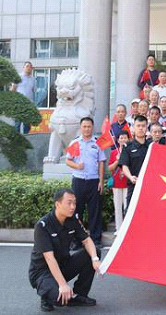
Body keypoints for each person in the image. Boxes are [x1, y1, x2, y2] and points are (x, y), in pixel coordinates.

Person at [29, 188, 101, 312]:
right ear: (58, 204)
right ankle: (46, 296)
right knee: (61, 299)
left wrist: (95, 259)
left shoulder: (73, 220)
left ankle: (79, 295)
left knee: (94, 252)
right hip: (42, 272)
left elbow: (87, 240)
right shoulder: (43, 226)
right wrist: (63, 284)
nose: (73, 207)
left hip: (62, 265)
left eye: (74, 203)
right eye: (69, 203)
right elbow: (49, 258)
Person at [65, 117, 105, 246]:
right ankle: (76, 241)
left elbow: (101, 162)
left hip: (94, 181)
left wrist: (101, 181)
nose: (87, 129)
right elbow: (68, 160)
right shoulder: (75, 143)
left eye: (89, 126)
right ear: (80, 127)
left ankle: (96, 240)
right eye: (84, 126)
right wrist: (77, 166)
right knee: (77, 211)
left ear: (92, 127)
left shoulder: (98, 142)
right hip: (79, 181)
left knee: (95, 211)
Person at [119, 115, 151, 208]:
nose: (141, 128)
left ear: (146, 128)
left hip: (149, 187)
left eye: (143, 126)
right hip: (134, 186)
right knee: (130, 212)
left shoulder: (152, 146)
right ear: (133, 128)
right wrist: (130, 177)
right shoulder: (127, 147)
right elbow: (124, 166)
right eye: (138, 126)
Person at [107, 131, 130, 234]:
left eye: (125, 138)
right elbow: (110, 168)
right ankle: (118, 229)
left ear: (128, 139)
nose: (123, 140)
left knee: (127, 207)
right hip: (116, 183)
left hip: (128, 183)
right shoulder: (114, 152)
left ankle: (127, 228)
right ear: (118, 140)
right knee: (117, 207)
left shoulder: (130, 151)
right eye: (121, 138)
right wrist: (117, 161)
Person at [13, 61, 35, 134]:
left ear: (32, 69)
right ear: (23, 68)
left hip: (28, 105)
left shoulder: (33, 79)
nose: (29, 68)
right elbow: (13, 89)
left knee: (27, 125)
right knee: (17, 124)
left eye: (30, 67)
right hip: (19, 104)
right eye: (27, 66)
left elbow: (33, 91)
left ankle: (26, 139)